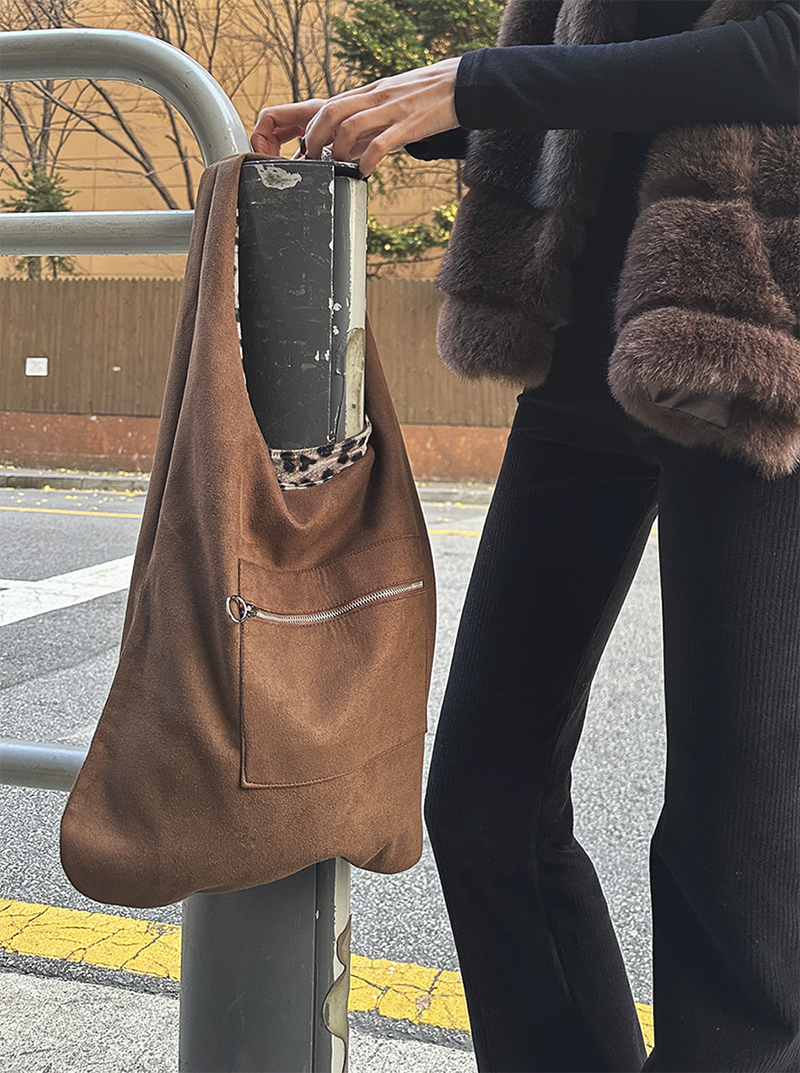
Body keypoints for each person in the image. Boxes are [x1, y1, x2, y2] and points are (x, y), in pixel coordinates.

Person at [253, 3, 800, 1070]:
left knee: (735, 844)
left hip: (754, 343)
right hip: (578, 344)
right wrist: (397, 111)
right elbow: (597, 57)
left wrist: (476, 84)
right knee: (482, 800)